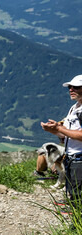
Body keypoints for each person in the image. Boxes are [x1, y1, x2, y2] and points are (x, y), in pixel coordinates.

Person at [41, 74, 82, 203]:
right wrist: (54, 130)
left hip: (80, 159)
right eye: (70, 87)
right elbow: (67, 134)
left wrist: (59, 129)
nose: (71, 90)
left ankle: (76, 217)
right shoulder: (74, 108)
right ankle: (73, 213)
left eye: (75, 87)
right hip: (71, 158)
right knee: (72, 192)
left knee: (78, 195)